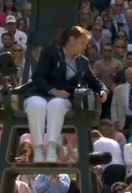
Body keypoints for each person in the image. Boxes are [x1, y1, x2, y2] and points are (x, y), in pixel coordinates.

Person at [24, 26, 108, 162]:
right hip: (42, 93)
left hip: (64, 98)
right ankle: (38, 150)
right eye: (82, 43)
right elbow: (37, 77)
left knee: (55, 105)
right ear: (71, 40)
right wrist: (54, 91)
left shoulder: (82, 61)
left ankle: (52, 149)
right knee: (35, 105)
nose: (85, 47)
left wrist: (102, 90)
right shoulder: (50, 53)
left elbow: (94, 81)